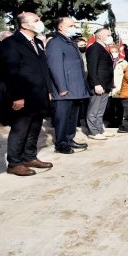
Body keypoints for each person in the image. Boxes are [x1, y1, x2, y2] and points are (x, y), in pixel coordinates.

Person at [1, 12, 54, 176]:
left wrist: (49, 90)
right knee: (20, 129)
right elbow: (10, 72)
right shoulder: (11, 43)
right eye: (36, 20)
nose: (40, 22)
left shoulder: (37, 42)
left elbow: (43, 68)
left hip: (39, 94)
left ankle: (29, 157)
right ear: (24, 25)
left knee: (34, 128)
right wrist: (16, 96)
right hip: (22, 95)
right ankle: (14, 163)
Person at [46, 17, 90, 154]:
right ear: (60, 27)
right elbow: (55, 66)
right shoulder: (55, 43)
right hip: (65, 89)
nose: (74, 27)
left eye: (75, 25)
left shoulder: (70, 42)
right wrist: (62, 88)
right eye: (71, 25)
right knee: (63, 117)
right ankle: (61, 144)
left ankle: (69, 139)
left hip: (76, 88)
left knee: (72, 117)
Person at [85, 28, 115, 140]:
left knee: (100, 110)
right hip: (98, 84)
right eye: (107, 35)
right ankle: (93, 131)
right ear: (99, 36)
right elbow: (92, 68)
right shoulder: (94, 48)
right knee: (94, 109)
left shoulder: (104, 48)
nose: (110, 37)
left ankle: (100, 129)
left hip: (106, 84)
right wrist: (96, 84)